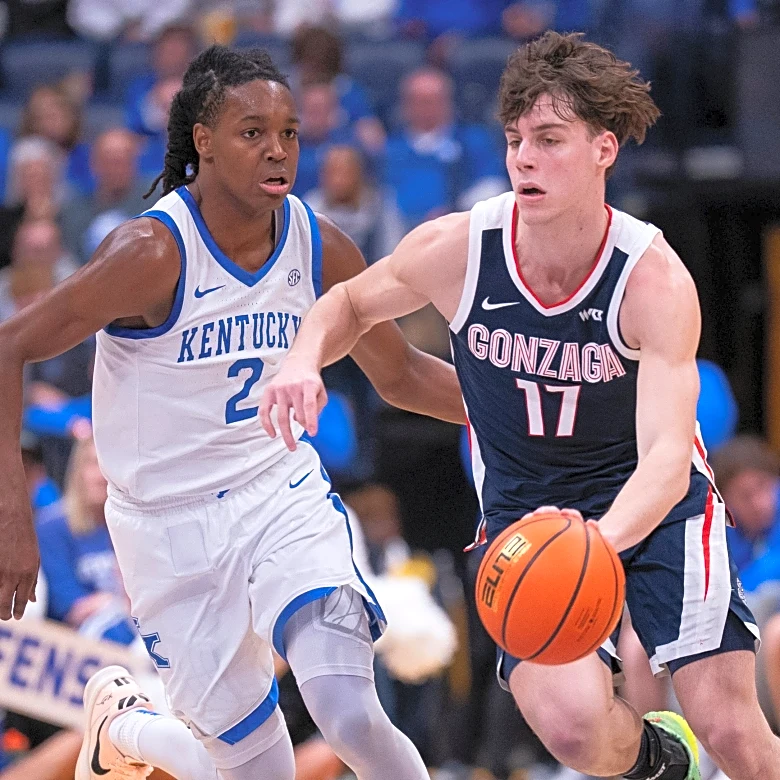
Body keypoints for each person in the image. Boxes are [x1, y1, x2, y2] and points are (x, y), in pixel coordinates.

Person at [261, 31, 780, 780]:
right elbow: (348, 302)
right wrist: (302, 358)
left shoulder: (653, 279)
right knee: (574, 731)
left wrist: (596, 543)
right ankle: (669, 763)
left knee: (732, 728)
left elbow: (669, 459)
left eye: (549, 139)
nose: (524, 159)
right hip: (525, 509)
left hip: (652, 501)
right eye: (514, 140)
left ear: (603, 149)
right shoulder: (460, 247)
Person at [0, 44, 463, 780]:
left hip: (278, 493)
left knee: (351, 715)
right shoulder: (151, 252)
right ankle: (126, 728)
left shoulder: (318, 244)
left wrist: (526, 411)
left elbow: (400, 372)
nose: (278, 150)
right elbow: (10, 346)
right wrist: (12, 515)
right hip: (166, 526)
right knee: (257, 770)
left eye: (289, 132)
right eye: (253, 132)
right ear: (204, 141)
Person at [385, 67, 507, 230]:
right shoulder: (391, 149)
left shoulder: (473, 141)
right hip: (399, 230)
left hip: (459, 228)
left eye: (432, 101)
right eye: (418, 101)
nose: (425, 109)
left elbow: (493, 186)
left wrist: (456, 210)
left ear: (447, 102)